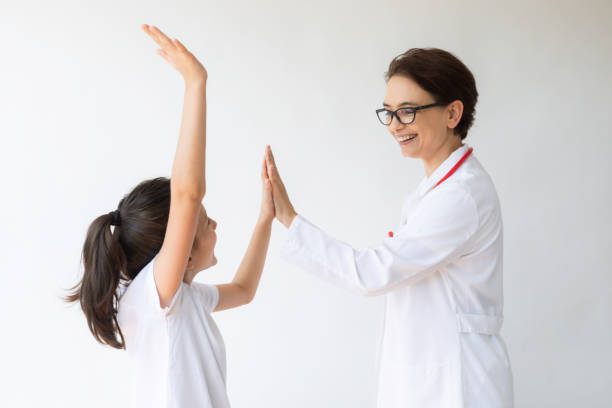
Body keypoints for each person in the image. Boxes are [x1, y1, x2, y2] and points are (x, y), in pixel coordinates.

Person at [264, 48, 514, 407]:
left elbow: (372, 274)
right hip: (434, 379)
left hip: (458, 387)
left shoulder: (460, 197)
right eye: (389, 112)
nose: (395, 125)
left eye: (408, 111)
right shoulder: (438, 191)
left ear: (452, 113)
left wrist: (289, 219)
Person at [66, 25, 275, 408]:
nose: (214, 225)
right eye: (204, 221)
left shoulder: (186, 297)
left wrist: (265, 218)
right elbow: (187, 194)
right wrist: (196, 83)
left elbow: (244, 291)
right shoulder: (158, 295)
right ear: (180, 249)